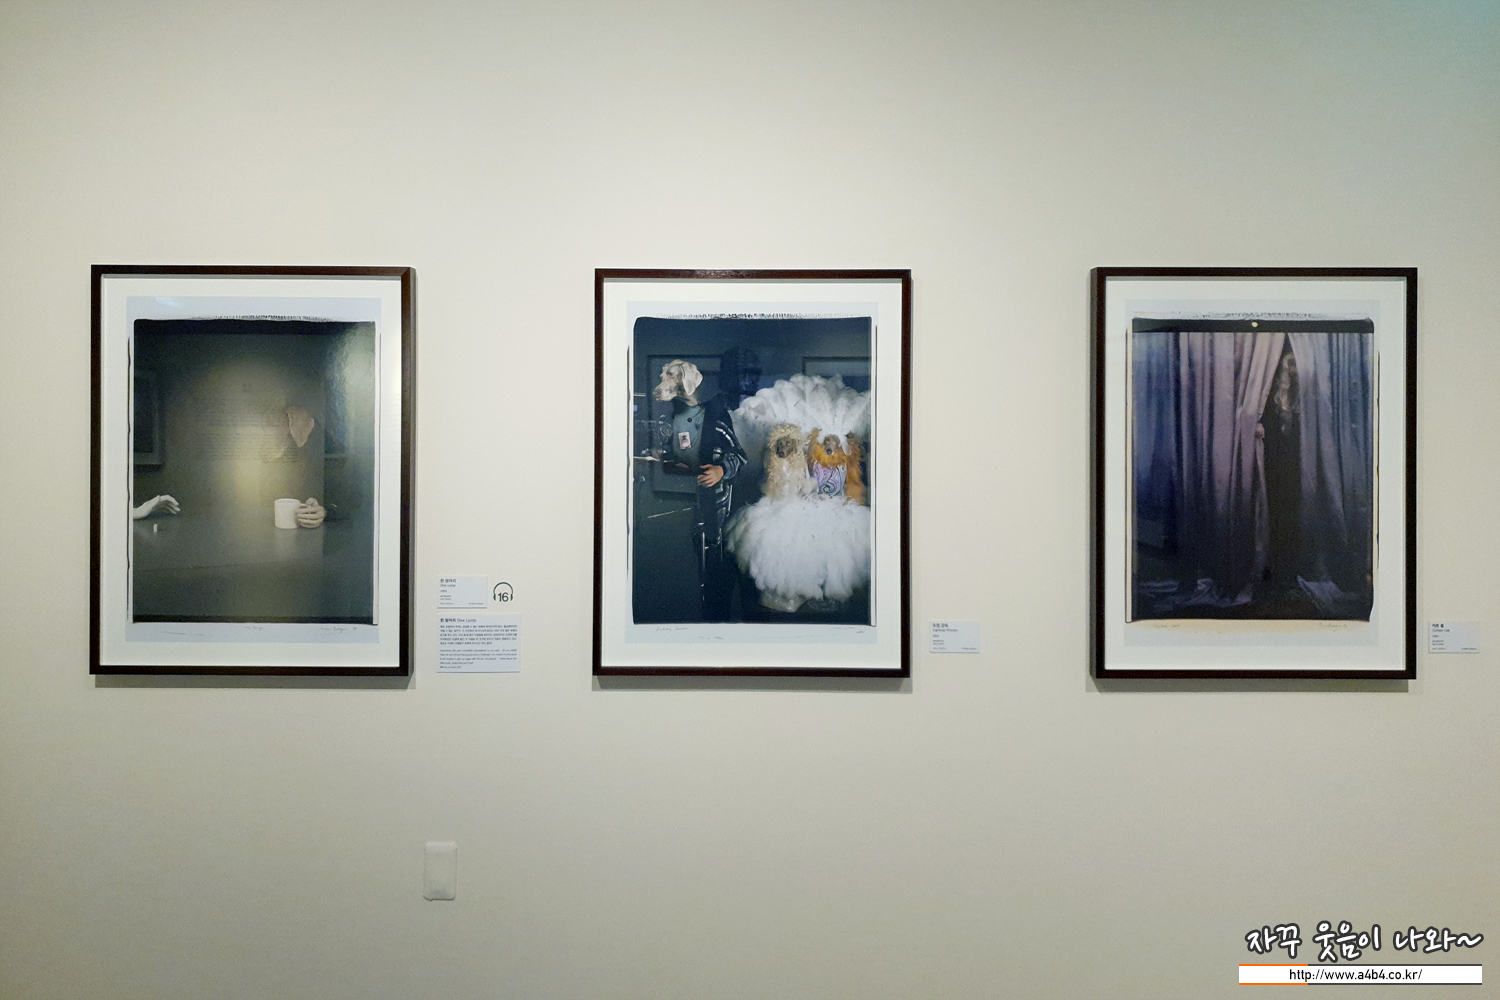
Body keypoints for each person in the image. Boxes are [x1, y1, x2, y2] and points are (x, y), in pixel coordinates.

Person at [652, 360, 747, 622]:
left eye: (671, 376)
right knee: (684, 576)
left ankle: (716, 625)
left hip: (715, 510)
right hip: (678, 508)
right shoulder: (670, 419)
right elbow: (671, 456)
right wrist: (663, 456)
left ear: (688, 380)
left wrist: (721, 470)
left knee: (716, 574)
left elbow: (739, 456)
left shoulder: (716, 416)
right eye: (664, 376)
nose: (662, 383)